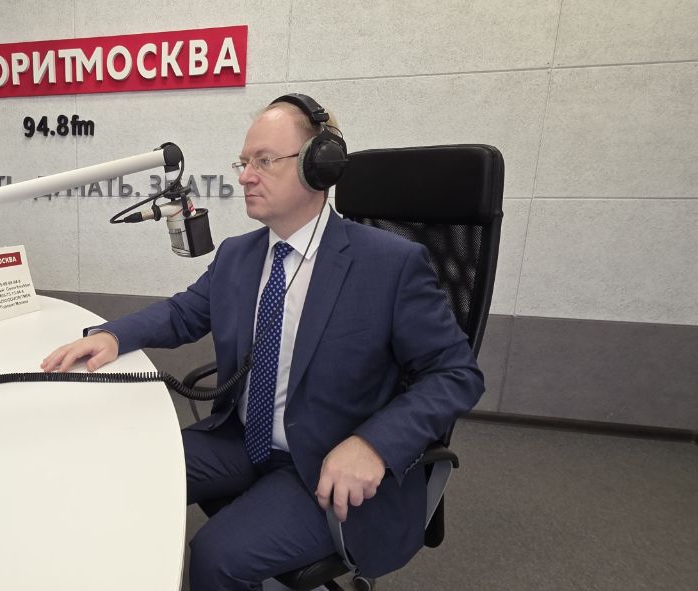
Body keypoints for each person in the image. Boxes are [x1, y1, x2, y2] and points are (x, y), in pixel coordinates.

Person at [41, 94, 484, 590]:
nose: (245, 177)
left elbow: (456, 374)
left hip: (323, 461)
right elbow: (185, 312)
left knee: (214, 557)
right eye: (244, 162)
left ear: (319, 166)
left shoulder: (390, 264)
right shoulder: (239, 255)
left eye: (265, 161)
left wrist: (374, 445)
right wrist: (113, 335)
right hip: (240, 438)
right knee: (117, 473)